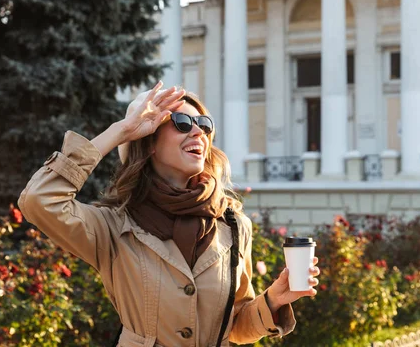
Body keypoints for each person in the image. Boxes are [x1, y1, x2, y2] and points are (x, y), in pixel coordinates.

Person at [18, 81, 321, 347]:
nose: (198, 132)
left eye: (203, 124)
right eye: (181, 123)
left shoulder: (234, 225)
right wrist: (120, 131)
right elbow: (38, 200)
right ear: (148, 142)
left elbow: (234, 328)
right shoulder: (113, 226)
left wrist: (273, 300)